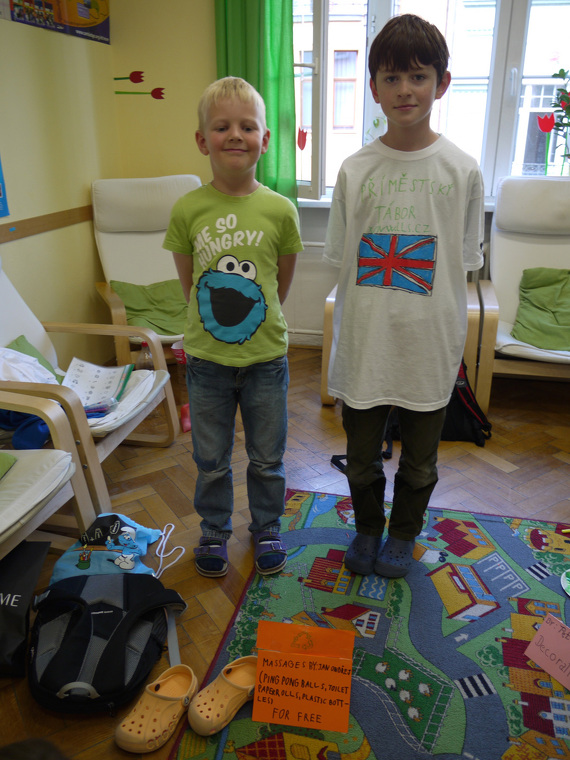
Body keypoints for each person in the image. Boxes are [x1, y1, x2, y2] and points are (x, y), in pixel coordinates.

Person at [324, 14, 484, 578]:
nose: (405, 90)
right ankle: (368, 528)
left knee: (419, 464)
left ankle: (403, 533)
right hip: (366, 342)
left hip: (428, 345)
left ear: (442, 83)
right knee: (361, 458)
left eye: (418, 76)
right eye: (391, 78)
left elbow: (463, 267)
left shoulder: (462, 170)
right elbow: (343, 261)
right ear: (373, 87)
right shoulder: (355, 169)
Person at [163, 76, 302, 578]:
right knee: (211, 459)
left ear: (265, 139)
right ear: (203, 141)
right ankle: (214, 531)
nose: (235, 135)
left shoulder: (281, 210)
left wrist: (253, 325)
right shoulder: (188, 209)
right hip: (207, 363)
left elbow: (279, 285)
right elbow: (190, 286)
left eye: (247, 126)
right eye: (222, 127)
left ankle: (267, 527)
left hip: (266, 360)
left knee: (267, 459)